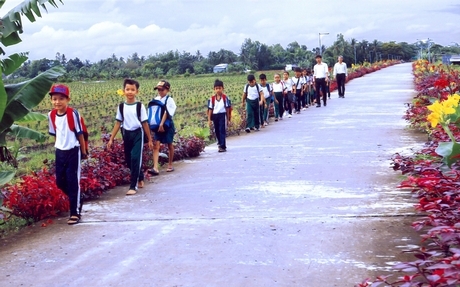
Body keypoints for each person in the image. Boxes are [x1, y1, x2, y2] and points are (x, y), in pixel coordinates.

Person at [48, 84, 88, 225]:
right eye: (54, 99)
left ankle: (75, 213)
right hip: (60, 151)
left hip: (73, 150)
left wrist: (83, 151)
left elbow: (80, 133)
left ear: (67, 99)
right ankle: (77, 197)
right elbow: (55, 134)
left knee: (72, 180)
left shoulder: (73, 113)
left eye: (61, 99)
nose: (57, 102)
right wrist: (58, 146)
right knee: (60, 182)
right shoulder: (51, 115)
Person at [108, 79, 153, 196]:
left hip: (138, 133)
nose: (130, 92)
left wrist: (150, 139)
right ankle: (141, 176)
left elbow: (145, 123)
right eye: (127, 89)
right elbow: (118, 123)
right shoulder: (121, 106)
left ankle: (133, 186)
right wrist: (111, 138)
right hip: (126, 134)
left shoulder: (139, 106)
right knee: (129, 160)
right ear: (124, 91)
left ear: (137, 91)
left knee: (135, 158)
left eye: (132, 90)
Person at [148, 80, 177, 174]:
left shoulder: (169, 100)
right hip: (157, 126)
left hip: (167, 125)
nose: (160, 91)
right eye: (158, 90)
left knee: (169, 144)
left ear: (167, 90)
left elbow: (167, 112)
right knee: (156, 145)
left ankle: (170, 164)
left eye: (162, 89)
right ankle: (155, 168)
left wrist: (162, 124)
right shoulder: (156, 99)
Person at [207, 79, 231, 152]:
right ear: (214, 89)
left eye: (219, 88)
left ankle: (223, 146)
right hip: (215, 116)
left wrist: (228, 119)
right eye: (216, 88)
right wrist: (209, 120)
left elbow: (227, 109)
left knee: (222, 130)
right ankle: (220, 144)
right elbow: (210, 109)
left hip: (222, 115)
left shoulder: (225, 98)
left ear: (223, 88)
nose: (218, 90)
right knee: (217, 130)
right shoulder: (212, 99)